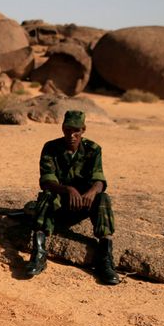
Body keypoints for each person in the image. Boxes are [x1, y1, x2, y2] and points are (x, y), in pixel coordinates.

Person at [26, 110, 119, 285]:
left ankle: (105, 260)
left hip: (85, 202)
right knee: (46, 196)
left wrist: (92, 192)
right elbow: (46, 180)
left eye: (76, 130)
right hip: (60, 201)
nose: (71, 135)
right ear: (62, 128)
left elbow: (99, 179)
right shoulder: (51, 148)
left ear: (83, 130)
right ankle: (38, 254)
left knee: (103, 198)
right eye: (68, 130)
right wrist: (68, 189)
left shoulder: (93, 149)